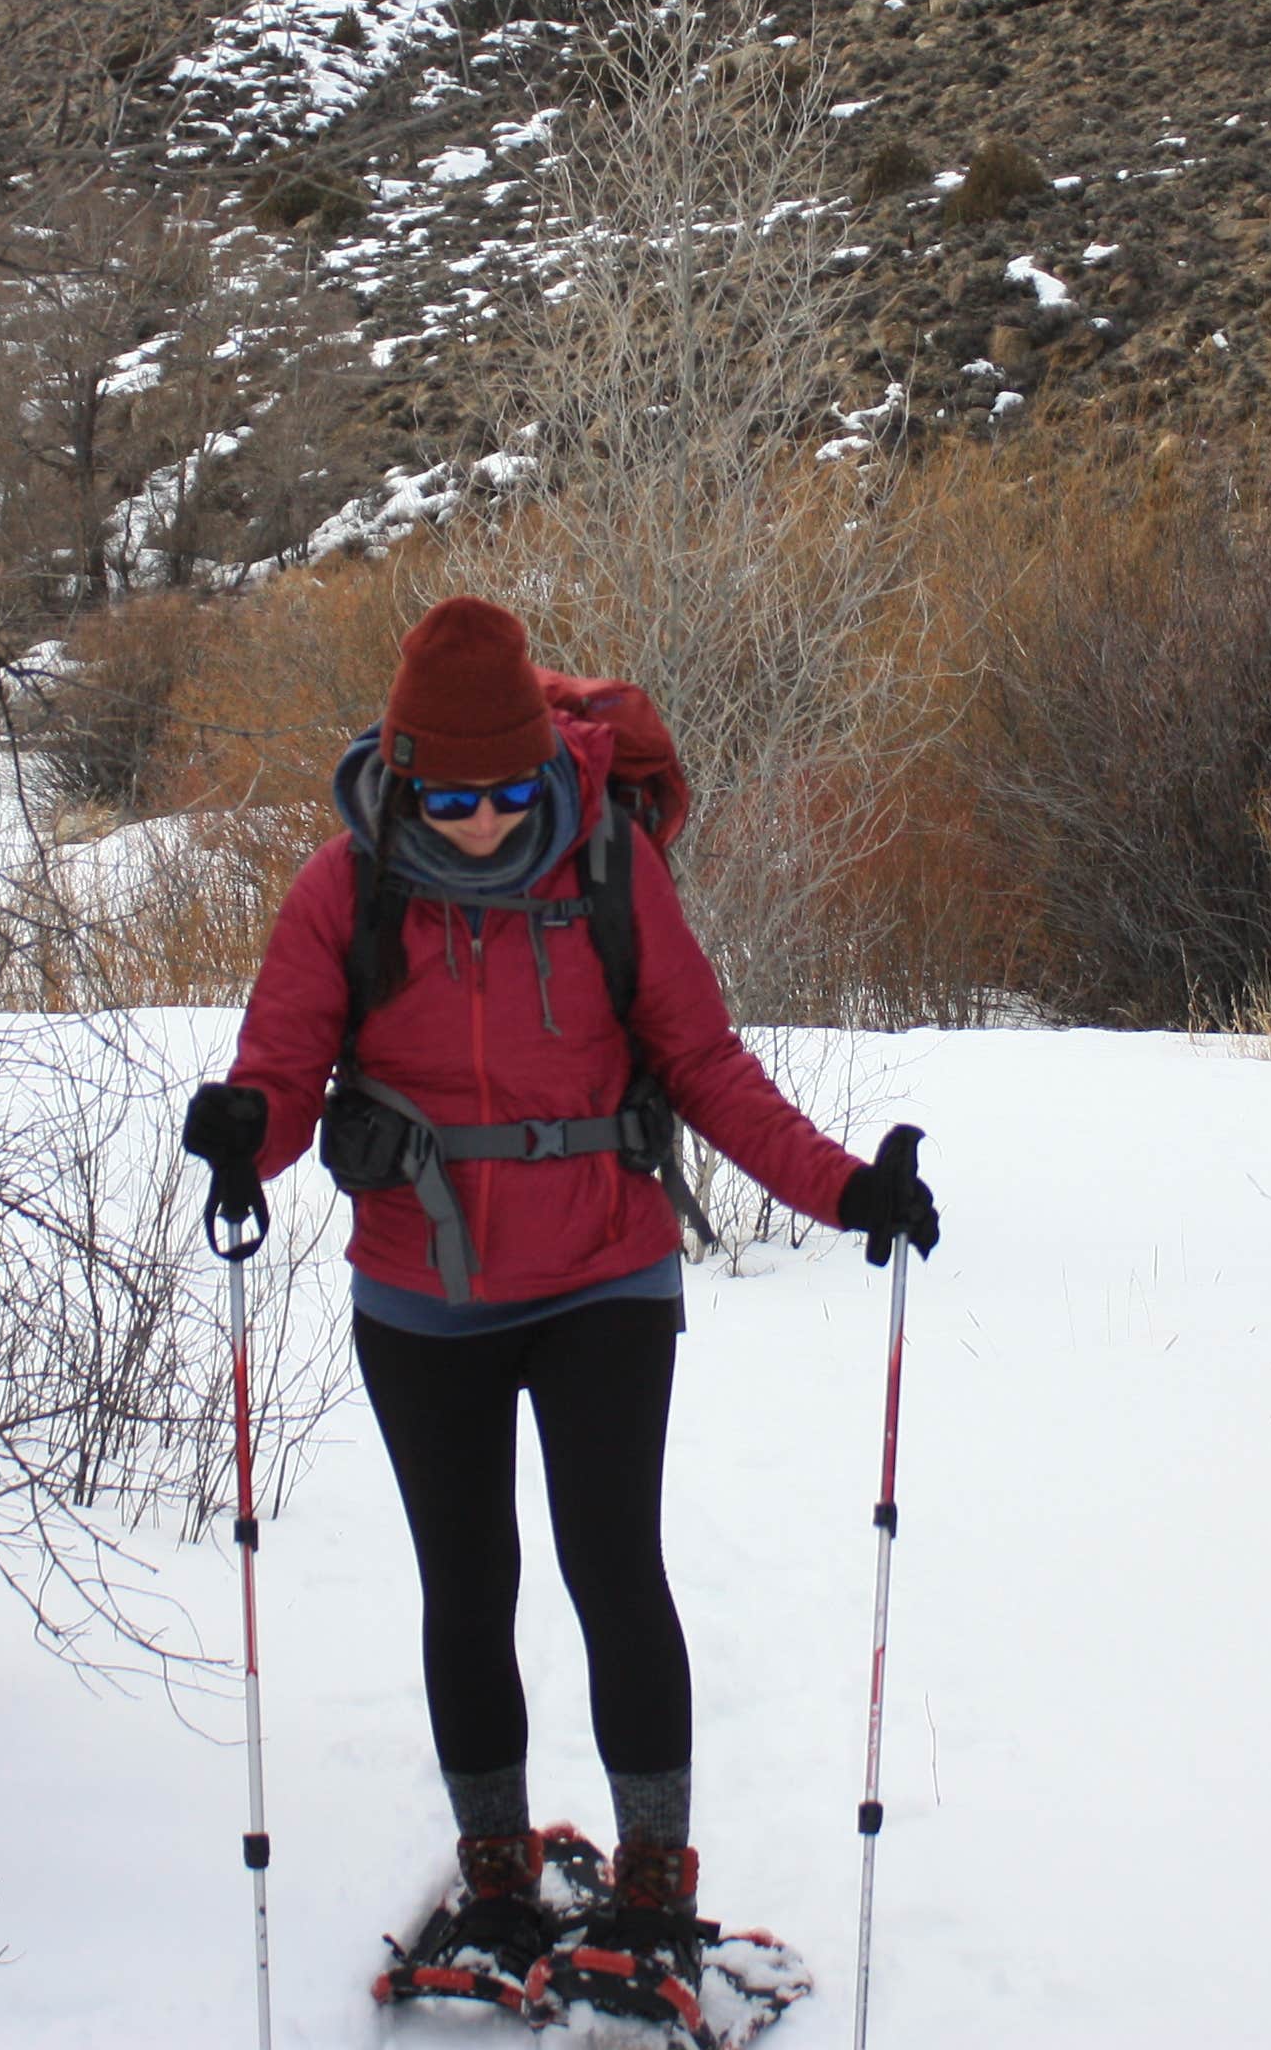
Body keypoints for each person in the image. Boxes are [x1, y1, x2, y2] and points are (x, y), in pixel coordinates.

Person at [180, 594, 939, 2030]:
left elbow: (706, 1065)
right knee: (468, 1588)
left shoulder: (608, 865)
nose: (478, 822)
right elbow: (280, 1069)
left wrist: (848, 1191)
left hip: (603, 1273)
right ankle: (497, 1875)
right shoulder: (343, 891)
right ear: (403, 773)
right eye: (450, 796)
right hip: (423, 1296)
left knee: (613, 1569)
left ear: (547, 767)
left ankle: (654, 1885)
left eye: (509, 791)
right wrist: (243, 1131)